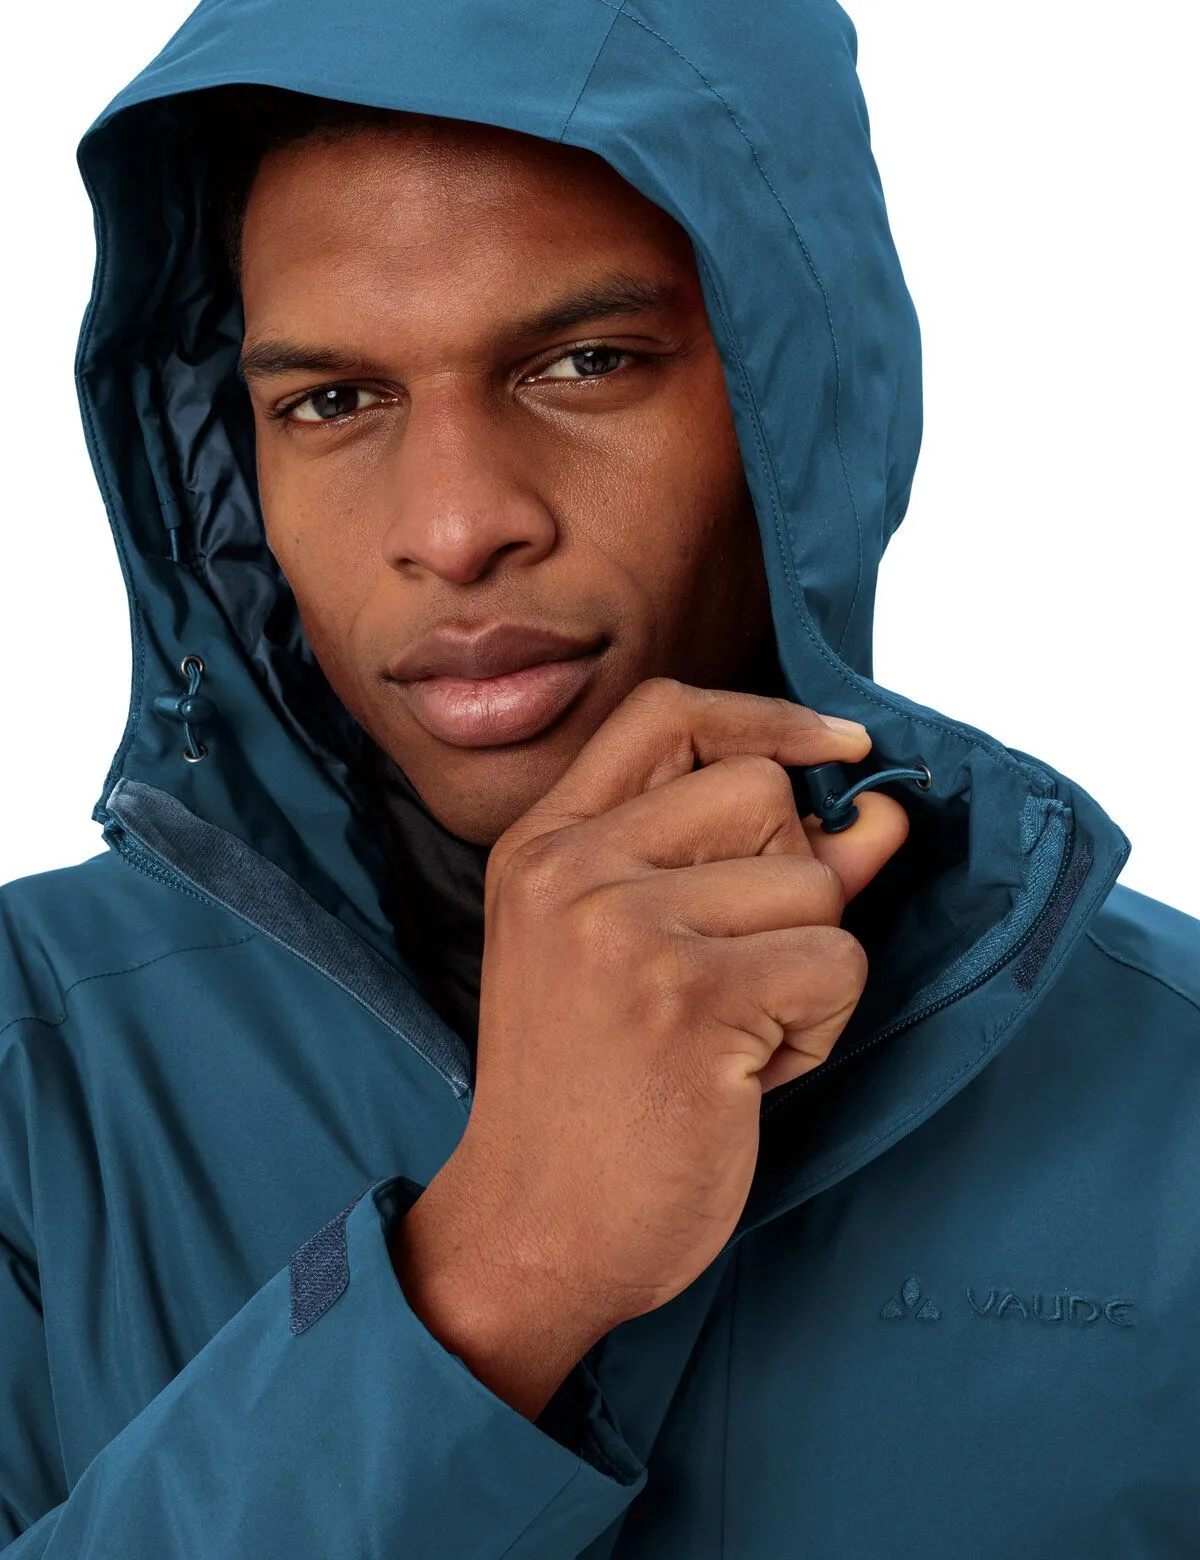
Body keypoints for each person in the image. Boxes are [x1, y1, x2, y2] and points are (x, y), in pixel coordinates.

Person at [0, 0, 1196, 1555]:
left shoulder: (1172, 1093)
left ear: (797, 393)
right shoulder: (29, 1069)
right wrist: (503, 1268)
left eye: (583, 361)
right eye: (332, 401)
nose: (454, 527)